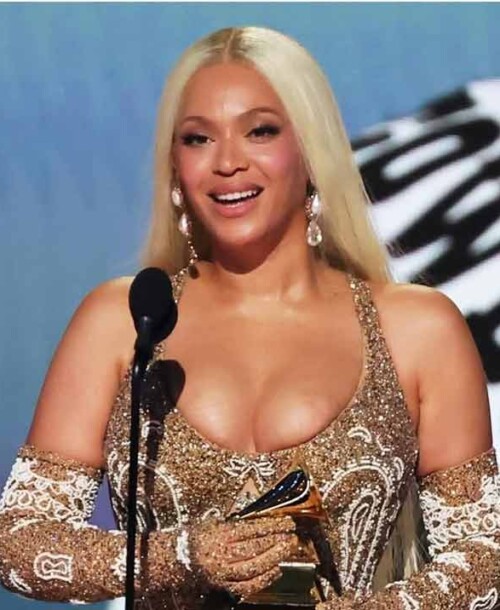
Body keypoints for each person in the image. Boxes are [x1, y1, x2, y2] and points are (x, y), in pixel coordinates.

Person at [0, 25, 498, 610]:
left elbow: (484, 555)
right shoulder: (124, 321)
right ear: (175, 169)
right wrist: (184, 556)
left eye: (260, 131)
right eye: (198, 139)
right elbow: (20, 541)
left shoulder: (415, 328)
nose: (228, 162)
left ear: (311, 152)